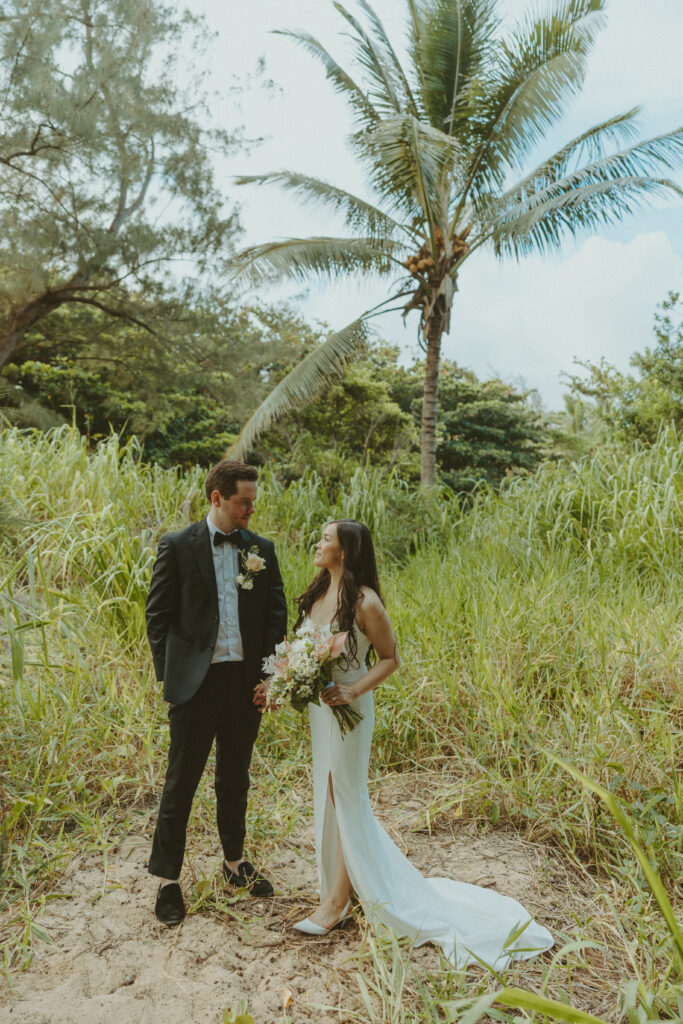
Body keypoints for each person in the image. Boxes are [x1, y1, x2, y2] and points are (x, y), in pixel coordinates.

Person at [291, 519, 553, 969]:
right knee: (326, 794)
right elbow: (302, 653)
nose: (318, 542)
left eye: (327, 538)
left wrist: (354, 691)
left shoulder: (364, 601)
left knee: (343, 795)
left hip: (349, 710)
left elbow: (391, 658)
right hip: (321, 710)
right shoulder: (319, 592)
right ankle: (339, 889)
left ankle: (336, 903)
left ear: (347, 550)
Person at [145, 459, 287, 925]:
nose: (250, 510)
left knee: (235, 777)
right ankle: (168, 881)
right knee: (180, 781)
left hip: (244, 683)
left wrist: (270, 676)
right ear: (217, 499)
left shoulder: (261, 549)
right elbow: (157, 616)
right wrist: (172, 678)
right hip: (195, 684)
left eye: (253, 501)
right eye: (243, 502)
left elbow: (274, 616)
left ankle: (233, 863)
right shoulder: (178, 546)